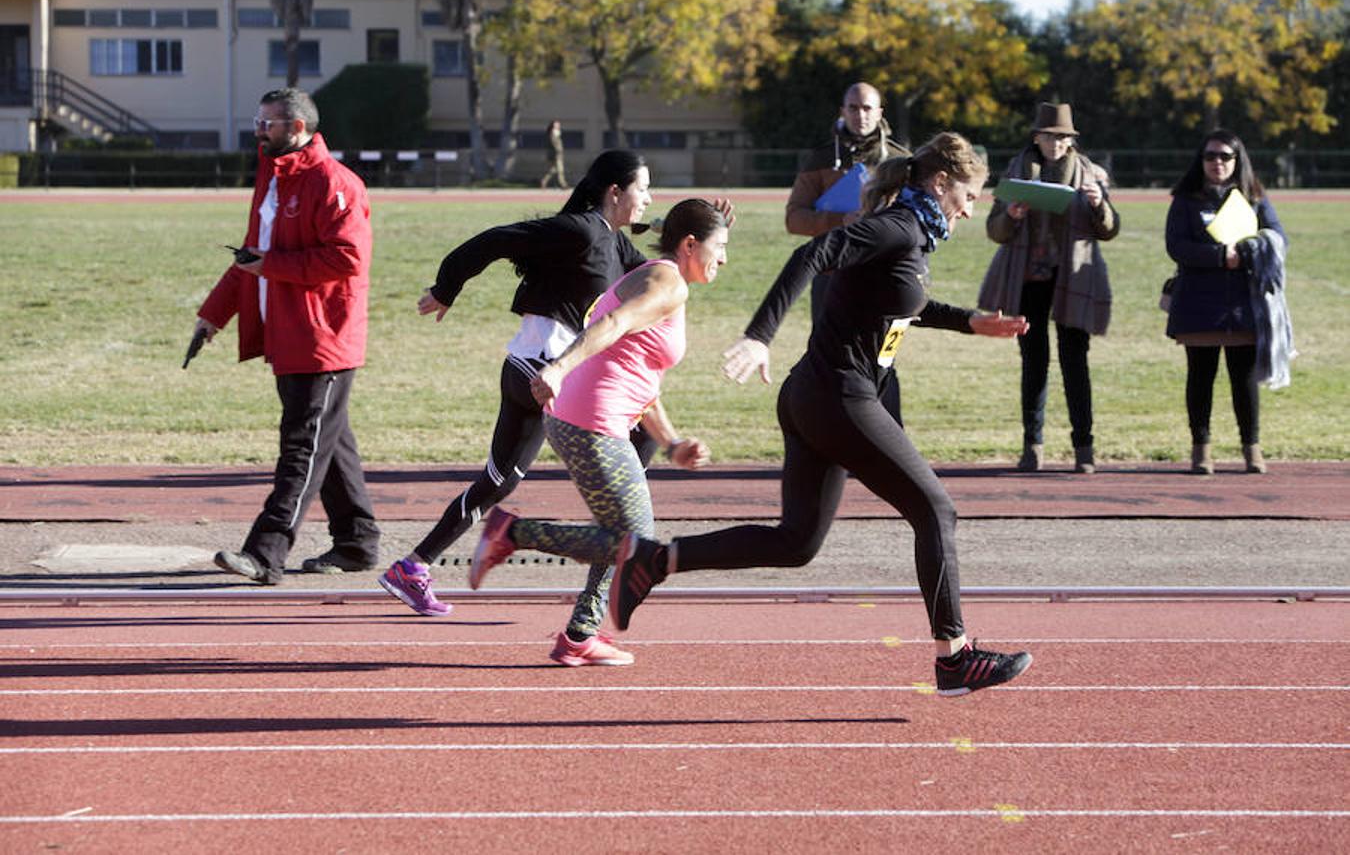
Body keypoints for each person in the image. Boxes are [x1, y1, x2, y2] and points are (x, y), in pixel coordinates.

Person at [497, 133, 1032, 696]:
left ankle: (657, 561)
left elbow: (903, 304)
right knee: (937, 510)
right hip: (837, 397)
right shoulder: (897, 226)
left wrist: (971, 321)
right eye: (969, 194)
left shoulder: (911, 238)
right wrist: (758, 337)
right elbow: (812, 254)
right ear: (941, 183)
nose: (972, 209)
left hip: (815, 396)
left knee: (796, 543)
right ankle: (955, 657)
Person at [378, 151, 666, 656]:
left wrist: (693, 239)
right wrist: (447, 289)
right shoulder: (577, 230)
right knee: (640, 437)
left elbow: (661, 279)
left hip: (532, 369)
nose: (649, 196)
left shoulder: (615, 243)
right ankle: (612, 544)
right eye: (644, 188)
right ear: (615, 192)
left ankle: (414, 566)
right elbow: (493, 241)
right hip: (541, 370)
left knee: (501, 477)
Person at [468, 199, 730, 666]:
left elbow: (638, 376)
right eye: (720, 246)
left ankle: (579, 636)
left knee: (621, 534)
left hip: (589, 416)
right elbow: (612, 324)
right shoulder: (667, 283)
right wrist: (559, 367)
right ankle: (511, 532)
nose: (725, 258)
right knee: (639, 546)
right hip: (589, 420)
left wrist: (670, 442)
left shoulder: (659, 276)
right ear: (690, 244)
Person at [195, 87, 380, 585]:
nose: (259, 129)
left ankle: (266, 552)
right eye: (259, 121)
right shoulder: (273, 178)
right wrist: (213, 315)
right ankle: (357, 543)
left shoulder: (334, 182)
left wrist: (269, 265)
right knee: (328, 440)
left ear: (297, 129)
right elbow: (250, 259)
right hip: (288, 332)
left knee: (301, 446)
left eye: (268, 123)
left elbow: (347, 258)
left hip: (323, 338)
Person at [978, 102, 1118, 474]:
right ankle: (1032, 445)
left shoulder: (1090, 172)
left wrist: (1099, 203)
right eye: (1049, 136)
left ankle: (1084, 447)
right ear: (1036, 137)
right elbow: (995, 231)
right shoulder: (1015, 171)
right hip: (1027, 279)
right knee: (1034, 363)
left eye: (1063, 138)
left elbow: (1109, 228)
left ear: (1071, 141)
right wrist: (1010, 215)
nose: (1056, 143)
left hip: (1073, 278)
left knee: (1076, 363)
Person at [1164, 130, 1288, 475]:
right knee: (1200, 376)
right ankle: (1200, 448)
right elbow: (1176, 245)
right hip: (1199, 301)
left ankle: (1252, 447)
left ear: (1238, 160)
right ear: (1200, 161)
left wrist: (1251, 250)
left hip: (1243, 303)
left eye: (1225, 156)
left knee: (1244, 378)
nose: (1217, 162)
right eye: (1210, 156)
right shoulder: (1186, 199)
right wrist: (1220, 256)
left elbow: (1279, 237)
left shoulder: (1255, 197)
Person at [786, 82, 910, 422]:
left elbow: (919, 218)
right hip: (831, 278)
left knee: (885, 359)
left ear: (880, 112)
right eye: (853, 108)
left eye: (868, 108)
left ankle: (890, 438)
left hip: (887, 280)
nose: (861, 115)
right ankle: (830, 440)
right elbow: (794, 218)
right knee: (830, 362)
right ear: (842, 111)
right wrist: (840, 219)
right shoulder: (820, 159)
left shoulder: (901, 161)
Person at [539, 120, 567, 189]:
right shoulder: (553, 133)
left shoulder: (557, 133)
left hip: (557, 154)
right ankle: (563, 184)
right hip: (556, 155)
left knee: (553, 170)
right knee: (560, 170)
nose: (558, 125)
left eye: (558, 124)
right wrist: (558, 151)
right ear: (553, 125)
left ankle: (543, 181)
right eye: (556, 124)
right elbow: (554, 144)